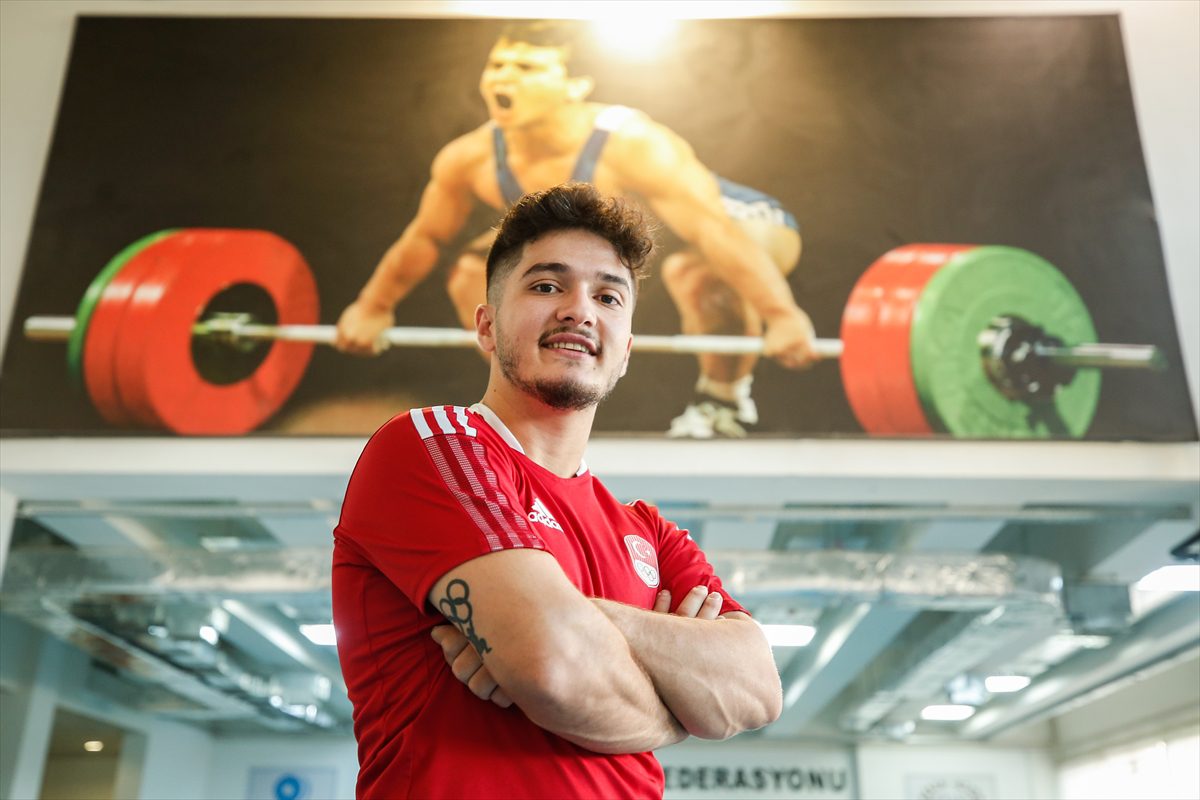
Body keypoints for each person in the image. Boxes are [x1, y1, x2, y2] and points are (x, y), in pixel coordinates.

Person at [332, 183, 782, 799]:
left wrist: (569, 618)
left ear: (626, 350)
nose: (580, 310)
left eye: (607, 296)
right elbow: (553, 667)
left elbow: (756, 691)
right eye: (547, 286)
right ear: (487, 326)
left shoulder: (647, 530)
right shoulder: (432, 447)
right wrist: (677, 712)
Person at [335, 20, 817, 438]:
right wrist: (373, 306)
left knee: (697, 273)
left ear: (575, 85)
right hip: (633, 245)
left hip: (740, 220)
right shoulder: (470, 158)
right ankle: (532, 393)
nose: (505, 77)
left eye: (527, 68)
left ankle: (723, 402)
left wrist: (782, 315)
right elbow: (427, 238)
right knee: (476, 270)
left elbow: (715, 231)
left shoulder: (633, 143)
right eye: (498, 65)